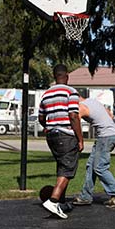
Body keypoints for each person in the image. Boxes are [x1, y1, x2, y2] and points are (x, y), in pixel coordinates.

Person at [39, 64, 84, 219]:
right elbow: (73, 116)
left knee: (61, 166)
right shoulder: (70, 92)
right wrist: (80, 138)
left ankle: (61, 202)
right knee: (67, 169)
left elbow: (41, 117)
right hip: (66, 134)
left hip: (51, 135)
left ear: (54, 76)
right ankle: (53, 200)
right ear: (67, 76)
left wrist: (48, 126)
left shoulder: (46, 94)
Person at [72, 97, 115, 207]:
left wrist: (78, 139)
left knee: (100, 167)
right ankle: (85, 196)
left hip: (106, 137)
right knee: (91, 166)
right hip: (109, 134)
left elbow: (74, 120)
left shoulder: (81, 107)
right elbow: (110, 114)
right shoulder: (92, 101)